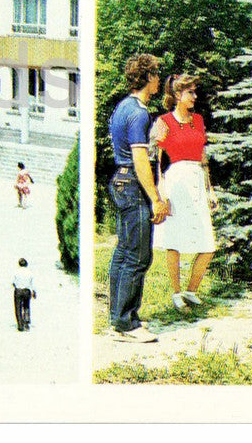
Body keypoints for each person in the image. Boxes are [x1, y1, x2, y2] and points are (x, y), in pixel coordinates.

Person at [106, 53, 165, 344]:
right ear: (148, 77)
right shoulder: (140, 113)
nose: (158, 80)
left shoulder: (122, 107)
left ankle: (118, 318)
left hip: (119, 179)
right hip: (132, 183)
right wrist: (155, 197)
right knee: (139, 255)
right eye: (156, 74)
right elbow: (141, 159)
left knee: (123, 252)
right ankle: (126, 324)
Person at [150, 74, 217, 310]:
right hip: (175, 181)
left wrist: (210, 190)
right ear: (177, 95)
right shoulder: (164, 121)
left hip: (197, 180)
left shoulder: (198, 120)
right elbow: (155, 161)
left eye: (195, 92)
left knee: (208, 245)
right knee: (174, 240)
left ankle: (191, 290)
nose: (195, 96)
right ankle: (176, 292)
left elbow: (203, 157)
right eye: (190, 92)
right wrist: (161, 193)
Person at [12, 258, 37, 332]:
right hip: (27, 291)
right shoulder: (30, 272)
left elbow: (13, 282)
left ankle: (20, 325)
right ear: (26, 264)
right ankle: (26, 323)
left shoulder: (16, 272)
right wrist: (33, 291)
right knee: (26, 306)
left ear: (19, 264)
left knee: (18, 308)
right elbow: (32, 283)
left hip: (18, 290)